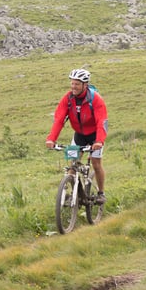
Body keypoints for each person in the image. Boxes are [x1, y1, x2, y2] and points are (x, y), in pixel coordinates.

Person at [46, 69, 109, 204]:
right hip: (79, 135)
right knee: (72, 165)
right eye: (72, 83)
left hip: (95, 136)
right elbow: (59, 120)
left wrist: (99, 141)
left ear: (85, 85)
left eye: (77, 84)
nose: (73, 87)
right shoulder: (68, 99)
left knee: (96, 164)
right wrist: (51, 139)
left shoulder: (96, 99)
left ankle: (101, 193)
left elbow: (101, 122)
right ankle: (72, 195)